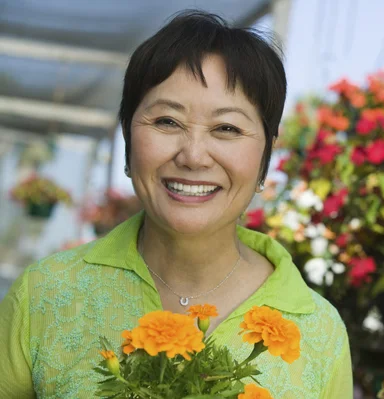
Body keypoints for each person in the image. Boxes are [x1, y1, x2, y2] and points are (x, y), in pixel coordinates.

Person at [0, 10, 352, 399]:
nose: (194, 156)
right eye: (168, 121)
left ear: (266, 156)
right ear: (128, 139)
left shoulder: (319, 330)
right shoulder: (44, 294)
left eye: (227, 128)